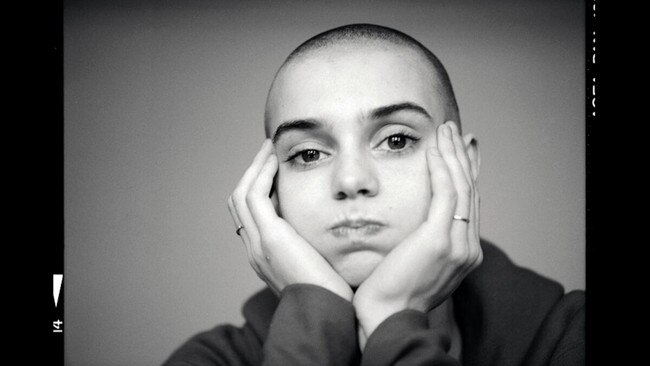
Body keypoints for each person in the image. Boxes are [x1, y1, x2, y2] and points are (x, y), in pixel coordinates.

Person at [163, 24, 584, 366]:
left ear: (466, 166)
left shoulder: (571, 339)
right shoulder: (210, 360)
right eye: (308, 153)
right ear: (269, 189)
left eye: (396, 141)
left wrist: (392, 318)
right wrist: (316, 320)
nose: (350, 180)